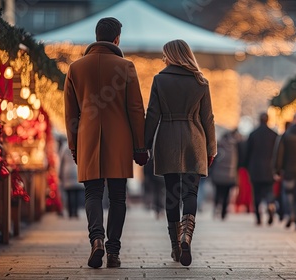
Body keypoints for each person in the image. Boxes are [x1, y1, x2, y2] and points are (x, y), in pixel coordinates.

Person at [64, 17, 148, 269]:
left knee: (92, 193)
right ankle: (113, 251)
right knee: (118, 197)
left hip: (87, 138)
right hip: (120, 141)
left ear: (96, 35)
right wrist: (140, 146)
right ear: (116, 39)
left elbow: (71, 114)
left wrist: (74, 145)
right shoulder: (126, 67)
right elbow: (135, 109)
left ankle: (96, 239)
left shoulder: (76, 68)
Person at [144, 39, 216, 267]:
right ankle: (187, 236)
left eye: (165, 55)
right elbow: (208, 119)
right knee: (190, 193)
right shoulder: (200, 81)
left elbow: (152, 115)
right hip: (195, 140)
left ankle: (175, 246)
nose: (163, 59)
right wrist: (211, 149)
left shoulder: (159, 80)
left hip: (167, 140)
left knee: (172, 195)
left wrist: (144, 145)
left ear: (172, 56)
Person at [244, 113, 278, 225]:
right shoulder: (274, 135)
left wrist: (246, 166)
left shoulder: (253, 134)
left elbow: (247, 153)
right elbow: (277, 153)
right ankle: (270, 205)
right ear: (268, 120)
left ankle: (258, 218)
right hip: (269, 168)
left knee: (257, 193)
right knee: (269, 191)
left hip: (255, 169)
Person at [210, 129, 240, 220]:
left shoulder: (219, 146)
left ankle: (216, 207)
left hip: (218, 174)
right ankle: (223, 213)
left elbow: (214, 160)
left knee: (218, 193)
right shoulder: (234, 146)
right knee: (226, 194)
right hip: (230, 175)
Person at [58, 137, 84, 219]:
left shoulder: (64, 147)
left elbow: (61, 161)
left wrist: (59, 173)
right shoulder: (79, 145)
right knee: (76, 193)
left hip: (67, 171)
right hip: (77, 170)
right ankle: (75, 212)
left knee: (69, 193)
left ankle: (70, 212)